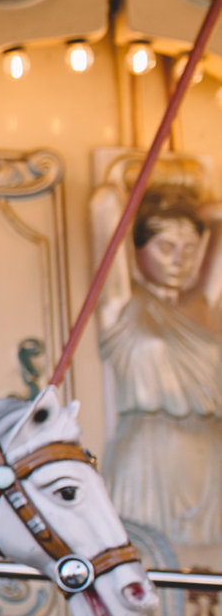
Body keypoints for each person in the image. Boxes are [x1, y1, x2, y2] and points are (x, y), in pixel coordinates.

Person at [90, 158, 222, 569]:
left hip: (210, 450)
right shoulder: (121, 304)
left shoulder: (205, 304)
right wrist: (132, 180)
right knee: (147, 565)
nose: (179, 259)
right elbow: (103, 204)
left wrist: (200, 213)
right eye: (166, 247)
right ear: (137, 248)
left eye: (189, 249)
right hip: (148, 449)